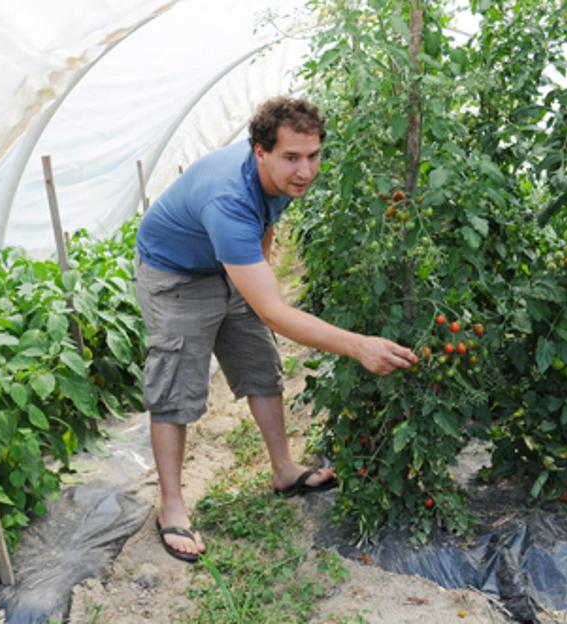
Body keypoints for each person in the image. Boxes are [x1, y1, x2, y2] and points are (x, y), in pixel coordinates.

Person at [134, 96, 418, 563]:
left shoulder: (283, 180)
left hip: (230, 265)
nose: (305, 171)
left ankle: (284, 470)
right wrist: (358, 346)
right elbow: (274, 313)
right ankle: (171, 504)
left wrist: (258, 271)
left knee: (260, 366)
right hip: (176, 275)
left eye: (313, 155)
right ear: (260, 152)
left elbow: (265, 224)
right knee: (175, 388)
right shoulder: (228, 199)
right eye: (291, 157)